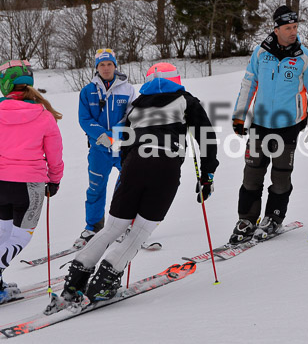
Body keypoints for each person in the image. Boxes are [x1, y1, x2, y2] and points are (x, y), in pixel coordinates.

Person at [59, 62, 218, 303]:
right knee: (140, 230)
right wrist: (207, 175)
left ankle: (75, 280)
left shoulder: (136, 106)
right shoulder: (186, 100)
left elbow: (124, 141)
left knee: (113, 228)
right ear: (176, 80)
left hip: (134, 163)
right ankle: (103, 283)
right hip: (166, 163)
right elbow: (205, 137)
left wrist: (129, 172)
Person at [0, 60, 63, 307]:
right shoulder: (43, 115)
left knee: (6, 231)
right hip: (29, 186)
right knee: (20, 237)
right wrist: (54, 180)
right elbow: (55, 154)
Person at [230, 5, 308, 244]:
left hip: (288, 127)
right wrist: (240, 114)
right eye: (287, 28)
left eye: (295, 27)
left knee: (281, 177)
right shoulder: (261, 53)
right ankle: (246, 220)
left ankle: (273, 218)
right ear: (276, 29)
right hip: (260, 124)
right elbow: (248, 84)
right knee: (251, 175)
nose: (293, 32)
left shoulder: (307, 59)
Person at [75, 49, 136, 248]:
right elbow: (84, 119)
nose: (106, 68)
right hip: (98, 148)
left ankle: (124, 225)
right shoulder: (87, 91)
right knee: (95, 188)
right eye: (102, 65)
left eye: (109, 64)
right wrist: (102, 135)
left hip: (122, 148)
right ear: (97, 68)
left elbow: (131, 116)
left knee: (127, 187)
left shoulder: (127, 89)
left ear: (115, 66)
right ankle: (93, 227)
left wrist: (116, 135)